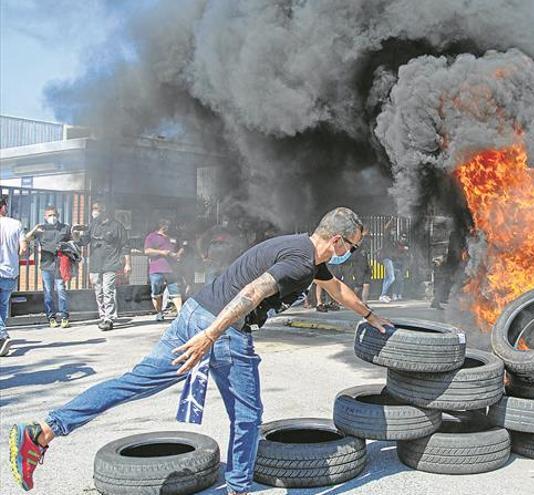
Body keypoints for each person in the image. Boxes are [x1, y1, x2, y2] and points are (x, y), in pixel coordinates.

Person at [8, 207, 393, 495]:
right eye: (353, 247)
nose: (351, 254)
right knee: (247, 415)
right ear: (338, 241)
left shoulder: (301, 251)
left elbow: (336, 288)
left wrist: (371, 315)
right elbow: (252, 293)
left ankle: (43, 431)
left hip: (195, 311)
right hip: (222, 330)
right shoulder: (299, 263)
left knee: (135, 382)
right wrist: (211, 335)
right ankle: (239, 488)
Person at [73, 202, 131, 331]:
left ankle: (108, 318)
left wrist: (127, 264)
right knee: (98, 291)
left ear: (104, 211)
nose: (94, 212)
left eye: (97, 209)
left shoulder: (117, 226)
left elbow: (125, 246)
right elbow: (83, 241)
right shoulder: (93, 225)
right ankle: (103, 314)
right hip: (95, 264)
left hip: (111, 263)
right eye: (93, 209)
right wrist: (76, 234)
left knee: (108, 290)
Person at [24, 205, 72, 328]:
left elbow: (74, 242)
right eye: (50, 215)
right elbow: (27, 238)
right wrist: (34, 229)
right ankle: (51, 317)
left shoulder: (65, 228)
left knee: (61, 290)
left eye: (54, 215)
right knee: (48, 293)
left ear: (58, 215)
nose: (52, 217)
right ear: (45, 217)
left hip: (60, 265)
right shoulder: (41, 229)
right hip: (46, 265)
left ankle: (64, 316)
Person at [0, 195, 29, 357]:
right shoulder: (16, 224)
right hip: (10, 272)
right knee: (3, 306)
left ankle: (2, 336)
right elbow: (23, 249)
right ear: (3, 207)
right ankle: (1, 340)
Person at [144, 219, 184, 321]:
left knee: (175, 291)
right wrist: (162, 253)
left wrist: (178, 254)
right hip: (156, 269)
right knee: (156, 292)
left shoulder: (173, 237)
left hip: (172, 269)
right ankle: (159, 312)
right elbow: (147, 251)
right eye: (165, 224)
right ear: (160, 225)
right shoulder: (151, 237)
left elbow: (181, 247)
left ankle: (180, 314)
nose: (168, 226)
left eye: (169, 224)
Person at [199, 216, 246, 283]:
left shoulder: (233, 233)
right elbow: (201, 240)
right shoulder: (214, 230)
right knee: (210, 283)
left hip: (225, 266)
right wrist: (203, 256)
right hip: (213, 265)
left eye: (228, 220)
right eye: (225, 220)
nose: (227, 223)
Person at [379, 218, 397, 303]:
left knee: (387, 278)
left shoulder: (391, 239)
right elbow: (385, 229)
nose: (394, 231)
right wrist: (391, 220)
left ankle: (383, 295)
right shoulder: (386, 236)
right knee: (392, 278)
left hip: (388, 258)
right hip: (386, 258)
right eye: (393, 229)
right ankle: (382, 295)